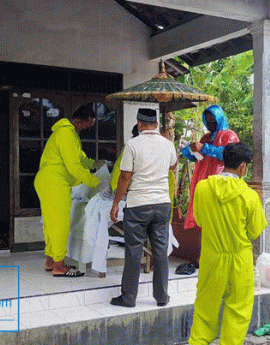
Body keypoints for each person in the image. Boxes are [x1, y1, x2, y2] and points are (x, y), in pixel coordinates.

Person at [188, 142, 267, 345]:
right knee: (238, 312)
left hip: (212, 257)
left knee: (205, 310)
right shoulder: (249, 196)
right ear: (243, 167)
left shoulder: (203, 187)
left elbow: (200, 219)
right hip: (239, 260)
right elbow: (255, 230)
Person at [110, 108, 177, 308]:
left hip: (138, 205)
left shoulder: (132, 145)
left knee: (133, 251)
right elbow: (173, 167)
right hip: (162, 204)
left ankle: (129, 298)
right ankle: (162, 297)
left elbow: (124, 177)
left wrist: (115, 203)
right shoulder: (168, 145)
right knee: (161, 251)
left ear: (140, 124)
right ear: (156, 124)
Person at [34, 104, 100, 277]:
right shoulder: (65, 133)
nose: (88, 129)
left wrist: (94, 164)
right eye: (87, 125)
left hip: (50, 180)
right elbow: (74, 167)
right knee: (60, 223)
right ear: (78, 121)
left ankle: (51, 261)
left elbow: (80, 159)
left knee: (51, 223)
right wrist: (95, 182)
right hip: (54, 181)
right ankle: (59, 266)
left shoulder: (70, 134)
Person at [180, 105, 239, 258]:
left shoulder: (229, 136)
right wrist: (187, 149)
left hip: (220, 183)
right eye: (207, 121)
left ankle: (217, 256)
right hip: (203, 182)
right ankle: (203, 258)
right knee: (202, 221)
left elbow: (229, 154)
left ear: (219, 118)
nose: (210, 124)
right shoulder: (206, 137)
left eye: (213, 121)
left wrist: (204, 148)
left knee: (217, 221)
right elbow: (196, 157)